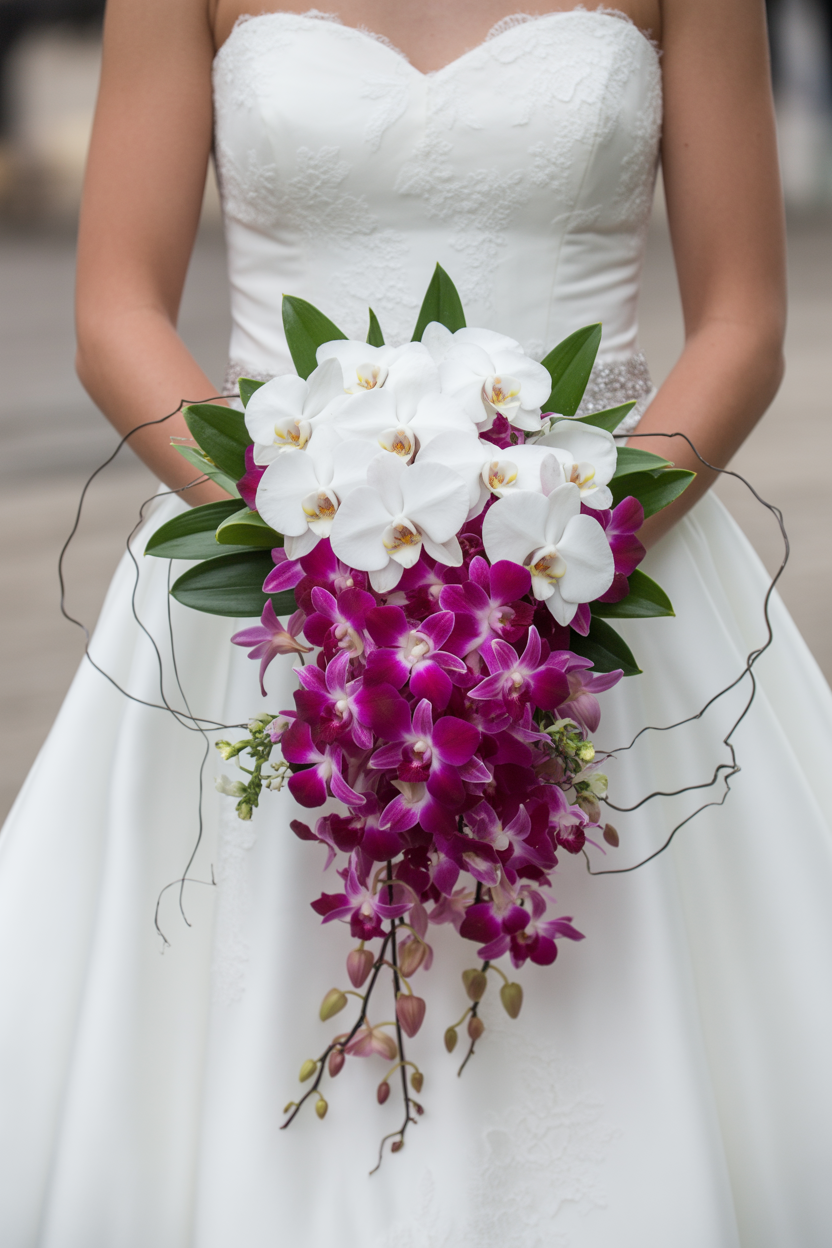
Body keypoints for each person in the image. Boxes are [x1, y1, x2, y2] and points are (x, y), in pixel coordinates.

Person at [2, 1, 832, 1243]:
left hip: (597, 566)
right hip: (286, 577)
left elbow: (742, 321)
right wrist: (315, 552)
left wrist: (566, 552)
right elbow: (116, 309)